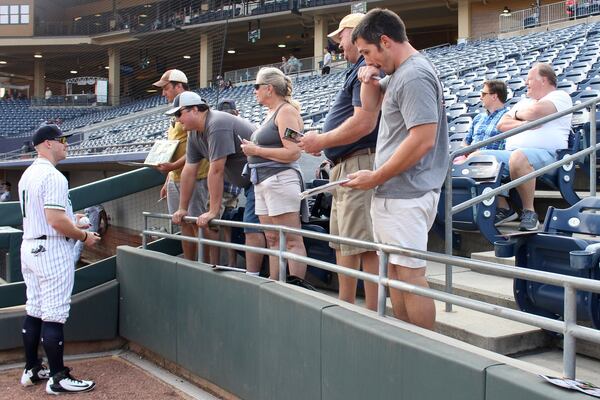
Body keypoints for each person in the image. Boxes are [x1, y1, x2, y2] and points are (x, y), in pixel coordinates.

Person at [346, 9, 449, 330]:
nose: (366, 61)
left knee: (410, 275)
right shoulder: (400, 71)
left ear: (385, 41)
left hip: (407, 191)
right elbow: (371, 108)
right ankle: (408, 346)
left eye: (367, 52)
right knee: (395, 273)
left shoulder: (414, 74)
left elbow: (423, 140)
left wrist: (376, 176)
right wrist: (367, 78)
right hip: (395, 191)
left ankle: (425, 353)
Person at [298, 13, 380, 311]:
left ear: (357, 36)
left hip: (359, 162)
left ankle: (372, 313)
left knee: (365, 245)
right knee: (345, 241)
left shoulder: (367, 70)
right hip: (346, 164)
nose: (338, 45)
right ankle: (346, 307)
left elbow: (363, 124)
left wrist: (322, 140)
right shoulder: (358, 70)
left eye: (341, 38)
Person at [18, 124, 100, 394]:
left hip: (30, 246)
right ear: (47, 144)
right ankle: (58, 377)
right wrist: (83, 236)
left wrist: (72, 219)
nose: (66, 144)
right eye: (62, 140)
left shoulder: (28, 173)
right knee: (53, 315)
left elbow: (48, 215)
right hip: (51, 248)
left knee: (35, 309)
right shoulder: (54, 176)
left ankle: (31, 368)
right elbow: (54, 221)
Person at [168, 92, 266, 276]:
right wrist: (183, 208)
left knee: (253, 227)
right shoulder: (194, 134)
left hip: (263, 176)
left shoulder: (216, 123)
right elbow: (189, 170)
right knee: (257, 228)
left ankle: (256, 279)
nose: (177, 119)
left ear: (195, 109)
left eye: (179, 114)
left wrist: (213, 211)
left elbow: (216, 170)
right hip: (249, 181)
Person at [480, 63, 572, 231]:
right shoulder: (524, 101)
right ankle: (504, 207)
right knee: (478, 157)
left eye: (529, 79)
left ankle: (529, 212)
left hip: (550, 155)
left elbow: (535, 112)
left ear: (543, 80)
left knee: (518, 157)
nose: (525, 83)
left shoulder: (560, 96)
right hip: (514, 153)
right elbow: (501, 124)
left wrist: (518, 115)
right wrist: (527, 124)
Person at [240, 67, 307, 280]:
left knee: (291, 239)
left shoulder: (286, 111)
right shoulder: (271, 113)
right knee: (272, 238)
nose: (254, 91)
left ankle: (296, 288)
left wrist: (256, 150)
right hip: (262, 182)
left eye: (256, 86)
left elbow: (293, 151)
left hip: (280, 180)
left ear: (269, 88)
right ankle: (275, 282)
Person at [153, 69, 210, 261]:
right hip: (176, 177)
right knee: (182, 223)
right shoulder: (175, 113)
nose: (163, 93)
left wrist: (171, 167)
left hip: (196, 177)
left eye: (166, 88)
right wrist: (168, 178)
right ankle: (190, 263)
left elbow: (197, 149)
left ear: (179, 86)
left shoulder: (194, 110)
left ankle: (205, 265)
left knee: (198, 223)